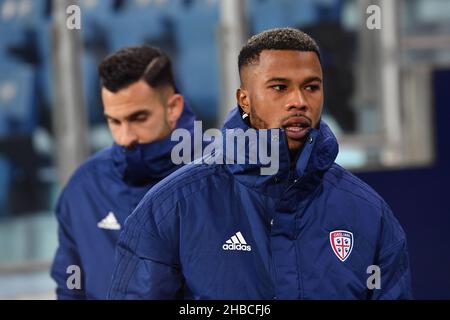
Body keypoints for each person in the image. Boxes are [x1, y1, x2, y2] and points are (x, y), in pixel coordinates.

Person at [108, 28, 412, 299]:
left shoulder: (369, 212)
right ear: (245, 100)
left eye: (311, 87)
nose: (299, 101)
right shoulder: (170, 208)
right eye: (279, 87)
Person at [51, 45, 197, 299]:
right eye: (114, 122)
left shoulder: (223, 180)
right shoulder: (83, 189)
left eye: (139, 118)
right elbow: (70, 289)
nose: (125, 137)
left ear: (173, 108)